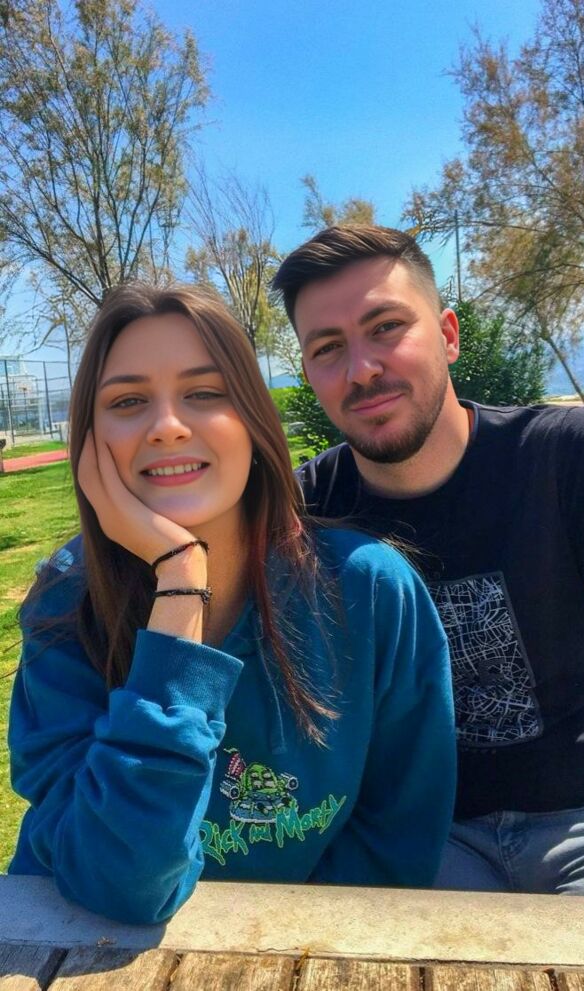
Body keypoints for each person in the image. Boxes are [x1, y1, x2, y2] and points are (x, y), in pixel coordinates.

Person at [8, 283, 456, 924]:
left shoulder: (370, 589)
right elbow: (122, 880)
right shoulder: (67, 601)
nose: (168, 426)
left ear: (252, 419)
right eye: (128, 401)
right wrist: (179, 581)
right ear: (90, 442)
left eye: (205, 393)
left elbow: (396, 842)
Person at [272, 225, 584, 897]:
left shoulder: (572, 459)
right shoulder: (303, 511)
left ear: (447, 335)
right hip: (420, 841)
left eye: (386, 327)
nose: (361, 369)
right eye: (327, 348)